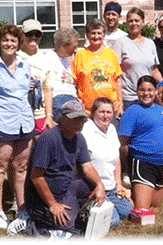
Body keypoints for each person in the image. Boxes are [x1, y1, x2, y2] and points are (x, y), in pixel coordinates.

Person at [0, 24, 35, 229]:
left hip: (24, 122)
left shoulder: (25, 65)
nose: (9, 44)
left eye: (13, 40)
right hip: (1, 123)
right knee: (0, 168)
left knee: (20, 168)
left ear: (18, 43)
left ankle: (22, 209)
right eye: (5, 40)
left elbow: (27, 90)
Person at [24, 100, 106, 237]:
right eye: (75, 119)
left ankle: (73, 210)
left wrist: (100, 184)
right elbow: (36, 177)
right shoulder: (48, 139)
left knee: (96, 194)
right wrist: (53, 204)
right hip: (43, 199)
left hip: (67, 188)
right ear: (62, 120)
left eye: (82, 119)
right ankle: (30, 224)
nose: (79, 123)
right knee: (70, 226)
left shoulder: (79, 139)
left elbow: (87, 167)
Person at [118, 76, 163, 209]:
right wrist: (129, 167)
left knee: (156, 205)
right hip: (143, 162)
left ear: (155, 91)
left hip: (162, 163)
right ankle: (123, 199)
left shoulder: (161, 109)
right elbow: (123, 143)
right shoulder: (133, 111)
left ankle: (133, 194)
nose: (146, 93)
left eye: (150, 90)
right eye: (142, 90)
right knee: (142, 210)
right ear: (137, 91)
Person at [80, 97, 133, 227]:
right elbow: (85, 165)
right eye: (101, 112)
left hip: (111, 187)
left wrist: (119, 185)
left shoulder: (112, 129)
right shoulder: (87, 129)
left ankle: (109, 206)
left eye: (109, 112)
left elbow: (116, 160)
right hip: (93, 187)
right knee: (113, 220)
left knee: (129, 211)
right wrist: (98, 186)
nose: (105, 116)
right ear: (93, 113)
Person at [113, 7, 162, 112]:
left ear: (143, 23)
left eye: (137, 20)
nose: (133, 23)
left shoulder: (150, 43)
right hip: (129, 98)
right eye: (130, 21)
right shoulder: (120, 43)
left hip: (148, 97)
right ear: (126, 24)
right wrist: (120, 103)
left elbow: (154, 70)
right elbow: (116, 74)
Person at [72, 18, 123, 118]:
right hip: (88, 110)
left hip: (111, 109)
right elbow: (75, 82)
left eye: (99, 33)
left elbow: (118, 81)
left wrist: (120, 105)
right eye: (93, 33)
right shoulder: (80, 55)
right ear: (87, 35)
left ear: (104, 35)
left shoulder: (111, 54)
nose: (96, 36)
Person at [19, 19, 57, 136]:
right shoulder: (14, 57)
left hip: (40, 115)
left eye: (37, 35)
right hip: (19, 115)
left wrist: (49, 116)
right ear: (22, 35)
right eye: (29, 34)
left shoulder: (45, 59)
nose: (34, 37)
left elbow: (48, 89)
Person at [46, 27, 80, 115]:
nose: (75, 50)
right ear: (63, 45)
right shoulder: (50, 58)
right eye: (74, 47)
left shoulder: (65, 59)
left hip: (71, 98)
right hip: (59, 99)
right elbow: (47, 87)